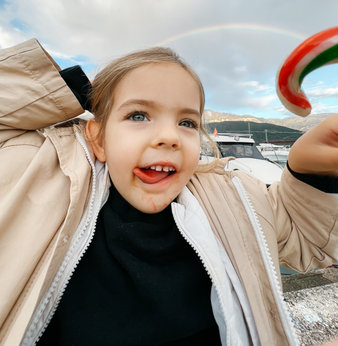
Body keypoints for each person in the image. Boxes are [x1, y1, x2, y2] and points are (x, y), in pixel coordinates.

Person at [0, 38, 337, 346]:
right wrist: (61, 91)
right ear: (99, 138)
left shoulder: (236, 198)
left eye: (187, 123)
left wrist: (309, 171)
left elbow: (308, 240)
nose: (169, 137)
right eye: (138, 115)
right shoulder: (36, 175)